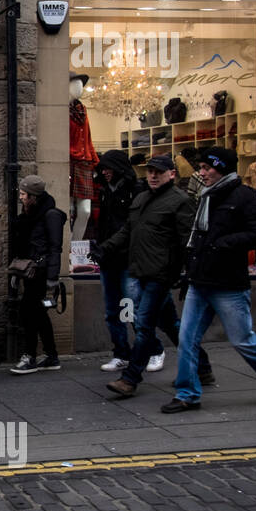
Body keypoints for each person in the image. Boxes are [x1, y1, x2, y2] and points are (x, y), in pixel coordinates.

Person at [166, 147, 256, 412]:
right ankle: (187, 393)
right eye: (200, 168)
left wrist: (224, 244)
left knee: (242, 340)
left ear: (221, 168)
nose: (201, 173)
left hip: (228, 284)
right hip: (200, 280)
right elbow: (197, 237)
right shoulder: (206, 196)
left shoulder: (247, 197)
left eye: (206, 168)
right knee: (187, 339)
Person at [99, 155, 213, 398]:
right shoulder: (142, 198)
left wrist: (185, 273)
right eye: (150, 171)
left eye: (158, 172)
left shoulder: (179, 201)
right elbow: (128, 230)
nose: (153, 175)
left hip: (160, 275)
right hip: (141, 270)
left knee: (144, 325)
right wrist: (105, 248)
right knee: (171, 325)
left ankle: (130, 379)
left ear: (171, 174)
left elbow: (187, 242)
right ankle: (203, 367)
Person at [91, 150, 143, 373]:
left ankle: (150, 349)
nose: (104, 172)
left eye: (108, 168)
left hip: (127, 259)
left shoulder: (135, 191)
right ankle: (121, 352)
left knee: (132, 308)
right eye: (102, 169)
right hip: (108, 259)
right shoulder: (105, 191)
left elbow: (131, 228)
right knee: (113, 310)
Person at [9, 174, 66, 374]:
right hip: (30, 271)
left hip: (41, 272)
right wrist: (17, 272)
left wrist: (52, 278)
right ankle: (51, 356)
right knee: (38, 314)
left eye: (24, 194)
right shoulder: (30, 214)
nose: (21, 197)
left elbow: (55, 248)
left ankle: (30, 356)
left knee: (29, 312)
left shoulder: (51, 215)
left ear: (33, 196)